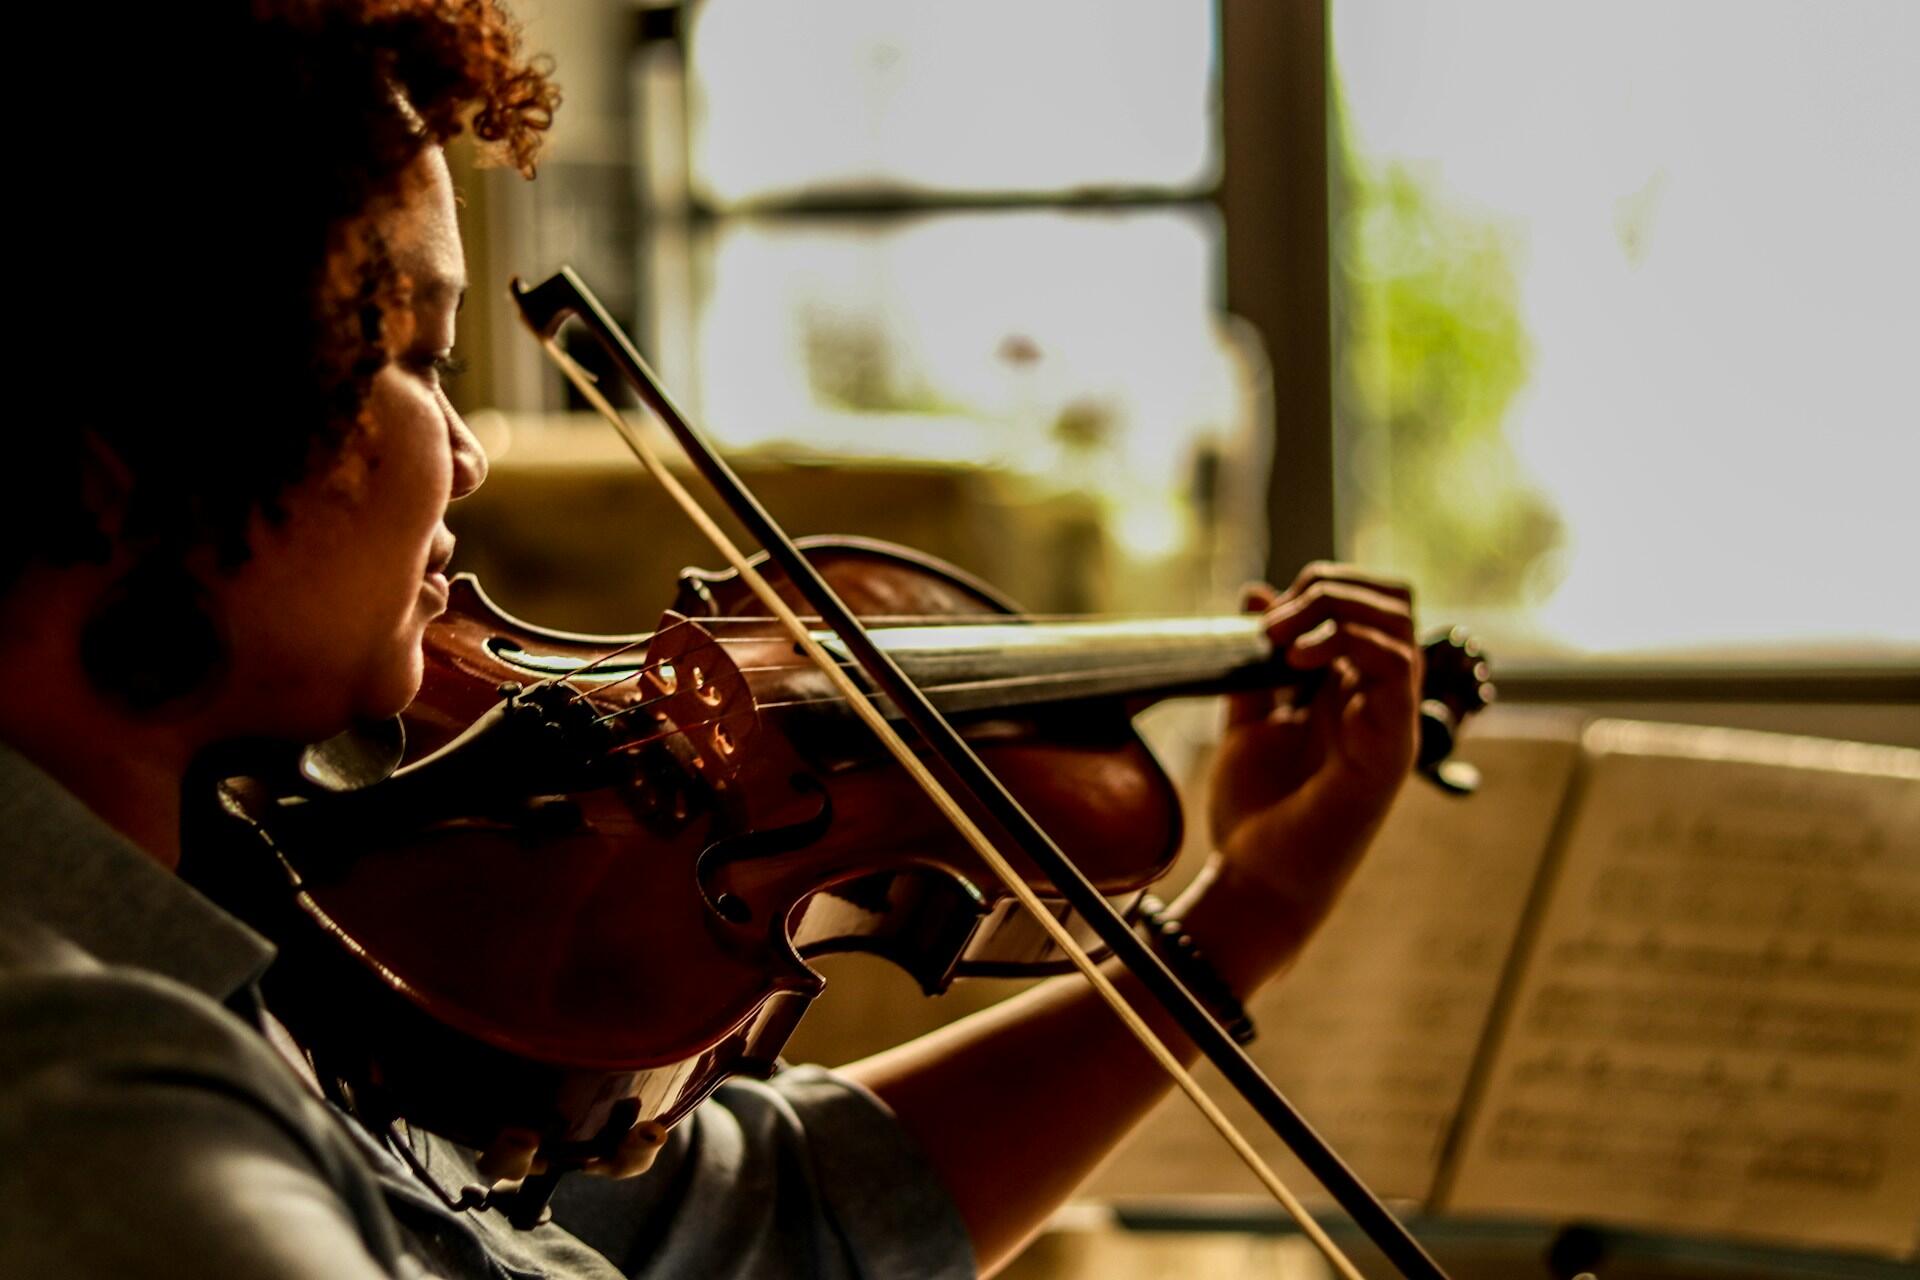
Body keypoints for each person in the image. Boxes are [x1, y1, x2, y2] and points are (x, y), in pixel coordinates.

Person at [0, 3, 1423, 1276]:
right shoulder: (89, 1102)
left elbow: (776, 1221)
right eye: (418, 358)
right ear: (136, 445)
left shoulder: (257, 967)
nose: (467, 461)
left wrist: (1247, 915)